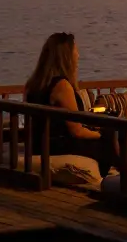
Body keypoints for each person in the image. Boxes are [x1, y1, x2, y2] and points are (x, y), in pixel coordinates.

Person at [23, 32, 117, 176]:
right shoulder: (61, 86)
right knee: (108, 135)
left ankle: (118, 172)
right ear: (66, 56)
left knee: (105, 136)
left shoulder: (32, 84)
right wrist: (100, 134)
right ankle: (120, 176)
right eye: (76, 51)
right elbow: (76, 131)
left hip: (37, 143)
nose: (78, 56)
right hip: (56, 145)